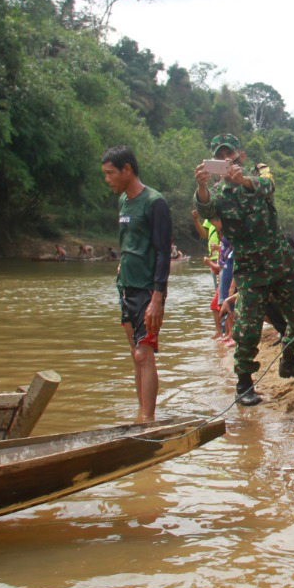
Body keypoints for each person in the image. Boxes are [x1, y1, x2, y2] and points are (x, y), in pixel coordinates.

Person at [196, 135, 294, 407]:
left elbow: (268, 185)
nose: (227, 159)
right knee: (247, 330)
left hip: (280, 263)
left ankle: (289, 362)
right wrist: (201, 185)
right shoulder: (217, 194)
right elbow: (205, 208)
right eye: (221, 155)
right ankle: (244, 384)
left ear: (241, 155)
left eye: (231, 153)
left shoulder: (259, 176)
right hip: (250, 271)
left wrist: (244, 181)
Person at [101, 145, 171, 423]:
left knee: (144, 354)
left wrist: (157, 298)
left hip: (146, 289)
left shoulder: (155, 202)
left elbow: (163, 252)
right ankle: (140, 414)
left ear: (127, 170)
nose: (107, 179)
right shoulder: (123, 202)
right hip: (126, 286)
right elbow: (127, 242)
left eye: (110, 173)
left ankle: (148, 420)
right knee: (135, 355)